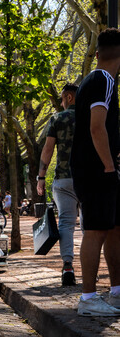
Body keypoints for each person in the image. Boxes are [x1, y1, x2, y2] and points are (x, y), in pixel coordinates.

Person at [70, 28, 120, 316]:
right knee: (97, 230)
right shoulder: (104, 80)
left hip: (95, 167)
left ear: (98, 53)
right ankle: (88, 298)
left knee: (113, 228)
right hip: (97, 168)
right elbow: (96, 126)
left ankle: (116, 292)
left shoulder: (94, 79)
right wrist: (109, 165)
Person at [37, 83, 79, 286]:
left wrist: (41, 177)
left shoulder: (58, 119)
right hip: (90, 179)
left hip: (64, 179)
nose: (61, 103)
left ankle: (68, 265)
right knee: (91, 227)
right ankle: (91, 269)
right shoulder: (94, 115)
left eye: (62, 99)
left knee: (66, 223)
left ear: (69, 98)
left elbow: (48, 149)